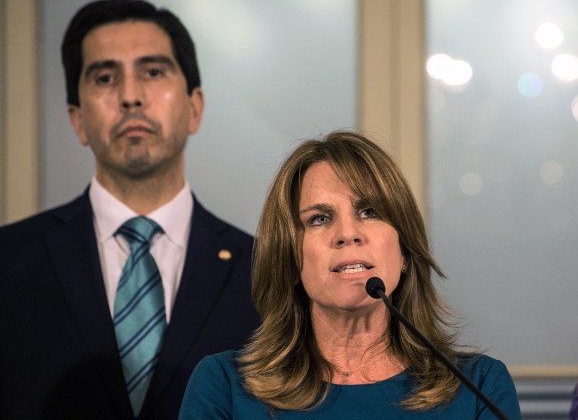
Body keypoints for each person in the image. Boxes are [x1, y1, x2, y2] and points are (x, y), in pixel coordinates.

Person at [0, 0, 259, 419]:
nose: (130, 96)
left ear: (194, 107)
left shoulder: (267, 273)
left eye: (153, 71)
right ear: (77, 120)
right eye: (105, 77)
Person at [179, 130, 522, 419]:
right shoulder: (224, 387)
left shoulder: (479, 387)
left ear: (404, 252)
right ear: (290, 259)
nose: (347, 233)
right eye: (319, 218)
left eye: (370, 212)